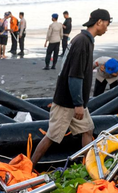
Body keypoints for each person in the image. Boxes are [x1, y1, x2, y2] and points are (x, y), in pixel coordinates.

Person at [30, 9, 111, 165]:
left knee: (87, 129)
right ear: (99, 22)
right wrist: (78, 104)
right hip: (68, 102)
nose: (107, 28)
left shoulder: (84, 40)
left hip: (75, 100)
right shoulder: (82, 42)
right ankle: (29, 167)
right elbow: (74, 76)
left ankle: (88, 166)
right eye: (106, 24)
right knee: (52, 136)